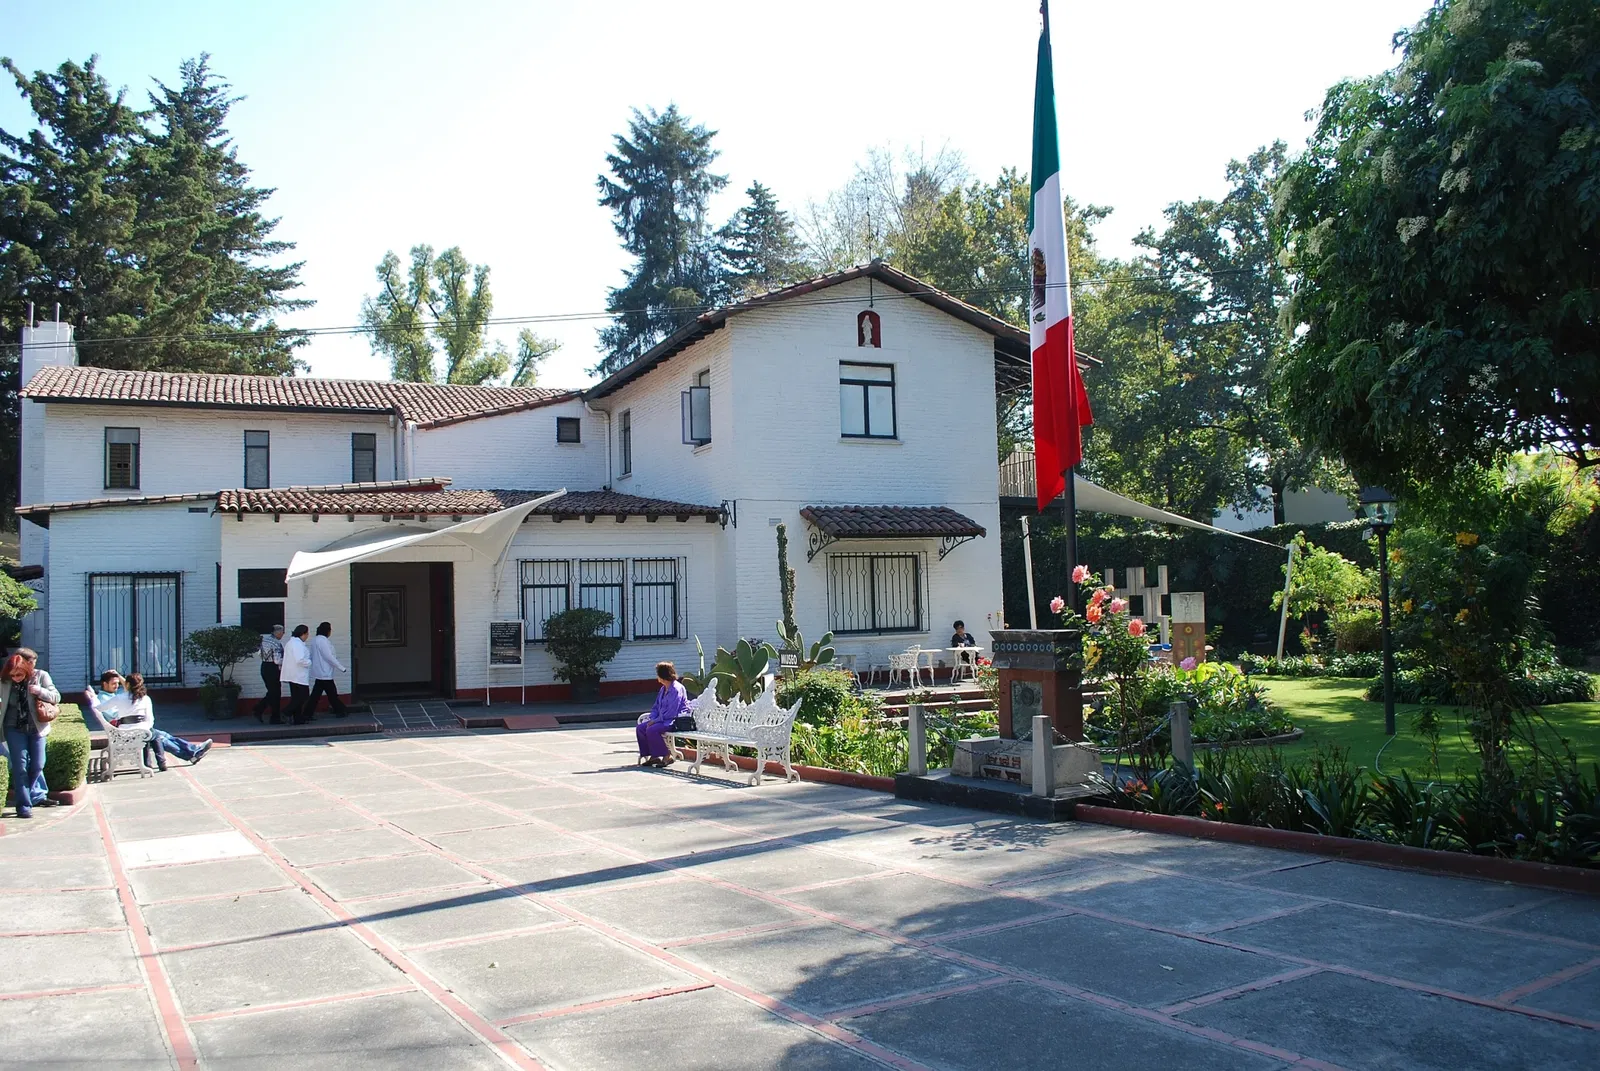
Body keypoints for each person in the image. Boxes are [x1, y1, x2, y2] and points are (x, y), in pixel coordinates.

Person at [93, 671, 212, 770]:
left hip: (129, 729)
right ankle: (190, 754)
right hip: (124, 731)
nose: (117, 686)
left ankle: (192, 750)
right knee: (160, 737)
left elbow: (129, 688)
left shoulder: (116, 696)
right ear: (104, 684)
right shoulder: (105, 697)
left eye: (118, 683)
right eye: (113, 684)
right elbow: (116, 713)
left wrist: (119, 676)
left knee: (165, 735)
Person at [1, 648, 59, 819]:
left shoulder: (41, 676)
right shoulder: (5, 681)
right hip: (13, 728)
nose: (15, 678)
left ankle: (28, 792)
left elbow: (56, 697)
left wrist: (40, 691)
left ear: (26, 669)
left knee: (38, 765)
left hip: (36, 728)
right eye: (13, 675)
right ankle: (24, 806)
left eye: (19, 674)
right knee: (20, 767)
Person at [636, 661, 688, 768]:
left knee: (652, 729)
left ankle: (666, 755)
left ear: (663, 676)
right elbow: (656, 706)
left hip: (673, 721)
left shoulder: (676, 689)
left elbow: (671, 712)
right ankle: (653, 756)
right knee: (640, 728)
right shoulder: (663, 688)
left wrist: (655, 721)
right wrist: (652, 718)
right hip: (661, 720)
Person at [308, 622, 348, 718]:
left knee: (316, 695)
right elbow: (328, 656)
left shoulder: (315, 640)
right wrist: (341, 667)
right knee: (332, 694)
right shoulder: (323, 641)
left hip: (319, 672)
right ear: (327, 631)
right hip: (325, 672)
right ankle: (340, 710)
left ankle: (307, 713)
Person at [281, 625, 314, 725]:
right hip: (298, 675)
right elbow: (300, 660)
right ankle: (287, 711)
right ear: (302, 634)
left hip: (292, 675)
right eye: (307, 634)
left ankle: (298, 718)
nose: (307, 636)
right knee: (303, 696)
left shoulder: (292, 643)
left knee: (296, 697)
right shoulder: (297, 644)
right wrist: (309, 662)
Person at [253, 625, 285, 724]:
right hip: (273, 668)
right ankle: (268, 713)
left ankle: (264, 711)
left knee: (272, 692)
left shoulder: (264, 640)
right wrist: (287, 661)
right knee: (275, 693)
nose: (283, 634)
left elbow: (259, 653)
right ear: (277, 632)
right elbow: (277, 660)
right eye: (282, 632)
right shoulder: (276, 643)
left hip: (264, 666)